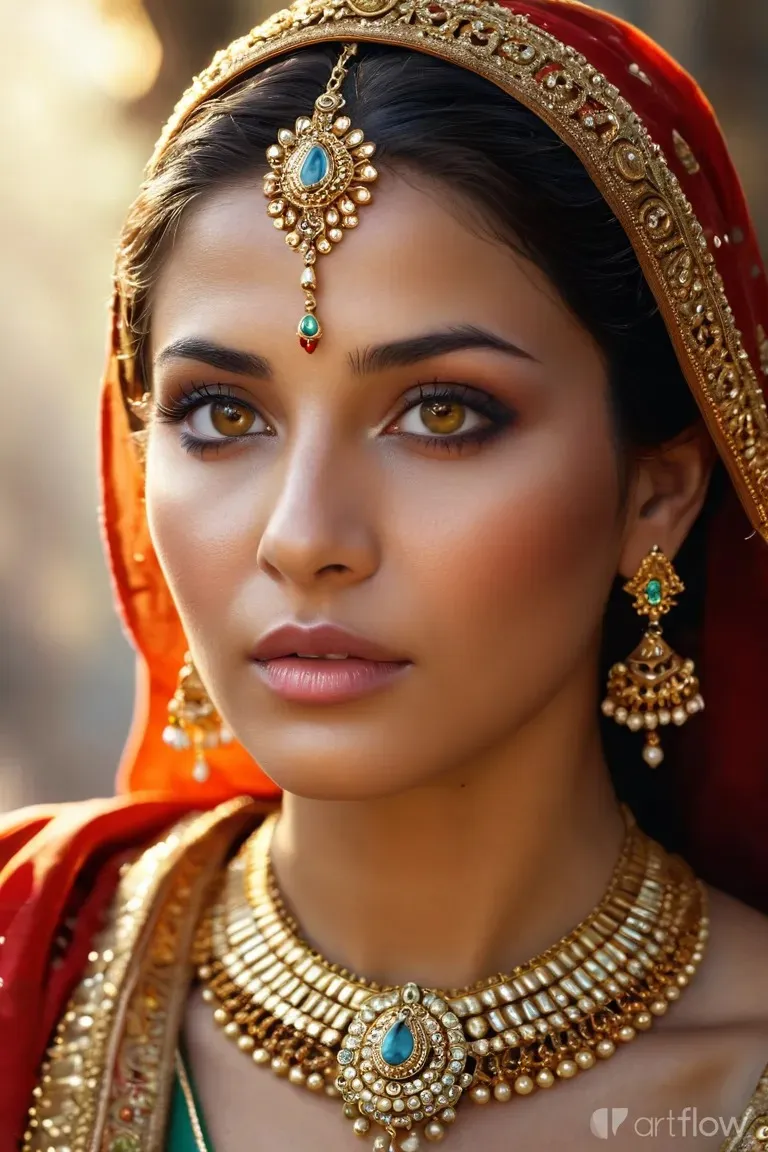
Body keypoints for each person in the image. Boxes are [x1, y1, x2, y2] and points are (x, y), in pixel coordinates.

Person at [3, 0, 768, 1149]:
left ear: (656, 491)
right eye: (220, 412)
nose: (304, 536)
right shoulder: (29, 968)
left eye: (443, 412)